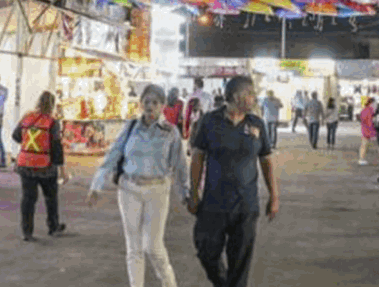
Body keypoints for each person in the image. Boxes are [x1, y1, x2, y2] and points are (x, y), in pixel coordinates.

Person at [88, 85, 187, 287]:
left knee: (153, 246)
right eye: (146, 102)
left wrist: (186, 193)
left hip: (158, 191)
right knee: (134, 248)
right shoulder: (131, 126)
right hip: (129, 189)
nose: (150, 106)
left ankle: (169, 283)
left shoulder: (171, 132)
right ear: (141, 104)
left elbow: (180, 166)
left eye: (155, 102)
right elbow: (113, 155)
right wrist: (96, 185)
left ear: (162, 106)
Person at [187, 75, 279, 287]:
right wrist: (193, 193)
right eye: (251, 94)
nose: (254, 98)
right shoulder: (209, 122)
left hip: (246, 205)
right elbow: (197, 158)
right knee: (206, 251)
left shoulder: (257, 124)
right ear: (237, 96)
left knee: (240, 263)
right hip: (213, 204)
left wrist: (274, 195)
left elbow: (266, 161)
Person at [13, 91, 67, 239]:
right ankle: (53, 226)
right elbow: (57, 147)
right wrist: (62, 170)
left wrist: (29, 145)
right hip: (45, 167)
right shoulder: (52, 122)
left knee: (28, 199)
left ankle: (27, 232)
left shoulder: (27, 117)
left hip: (25, 165)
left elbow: (16, 136)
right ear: (52, 105)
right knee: (51, 198)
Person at [357, 97, 376, 165]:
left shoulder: (364, 109)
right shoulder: (371, 110)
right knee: (365, 145)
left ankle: (361, 158)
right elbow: (371, 121)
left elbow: (362, 119)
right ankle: (361, 159)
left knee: (364, 145)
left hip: (364, 128)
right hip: (369, 129)